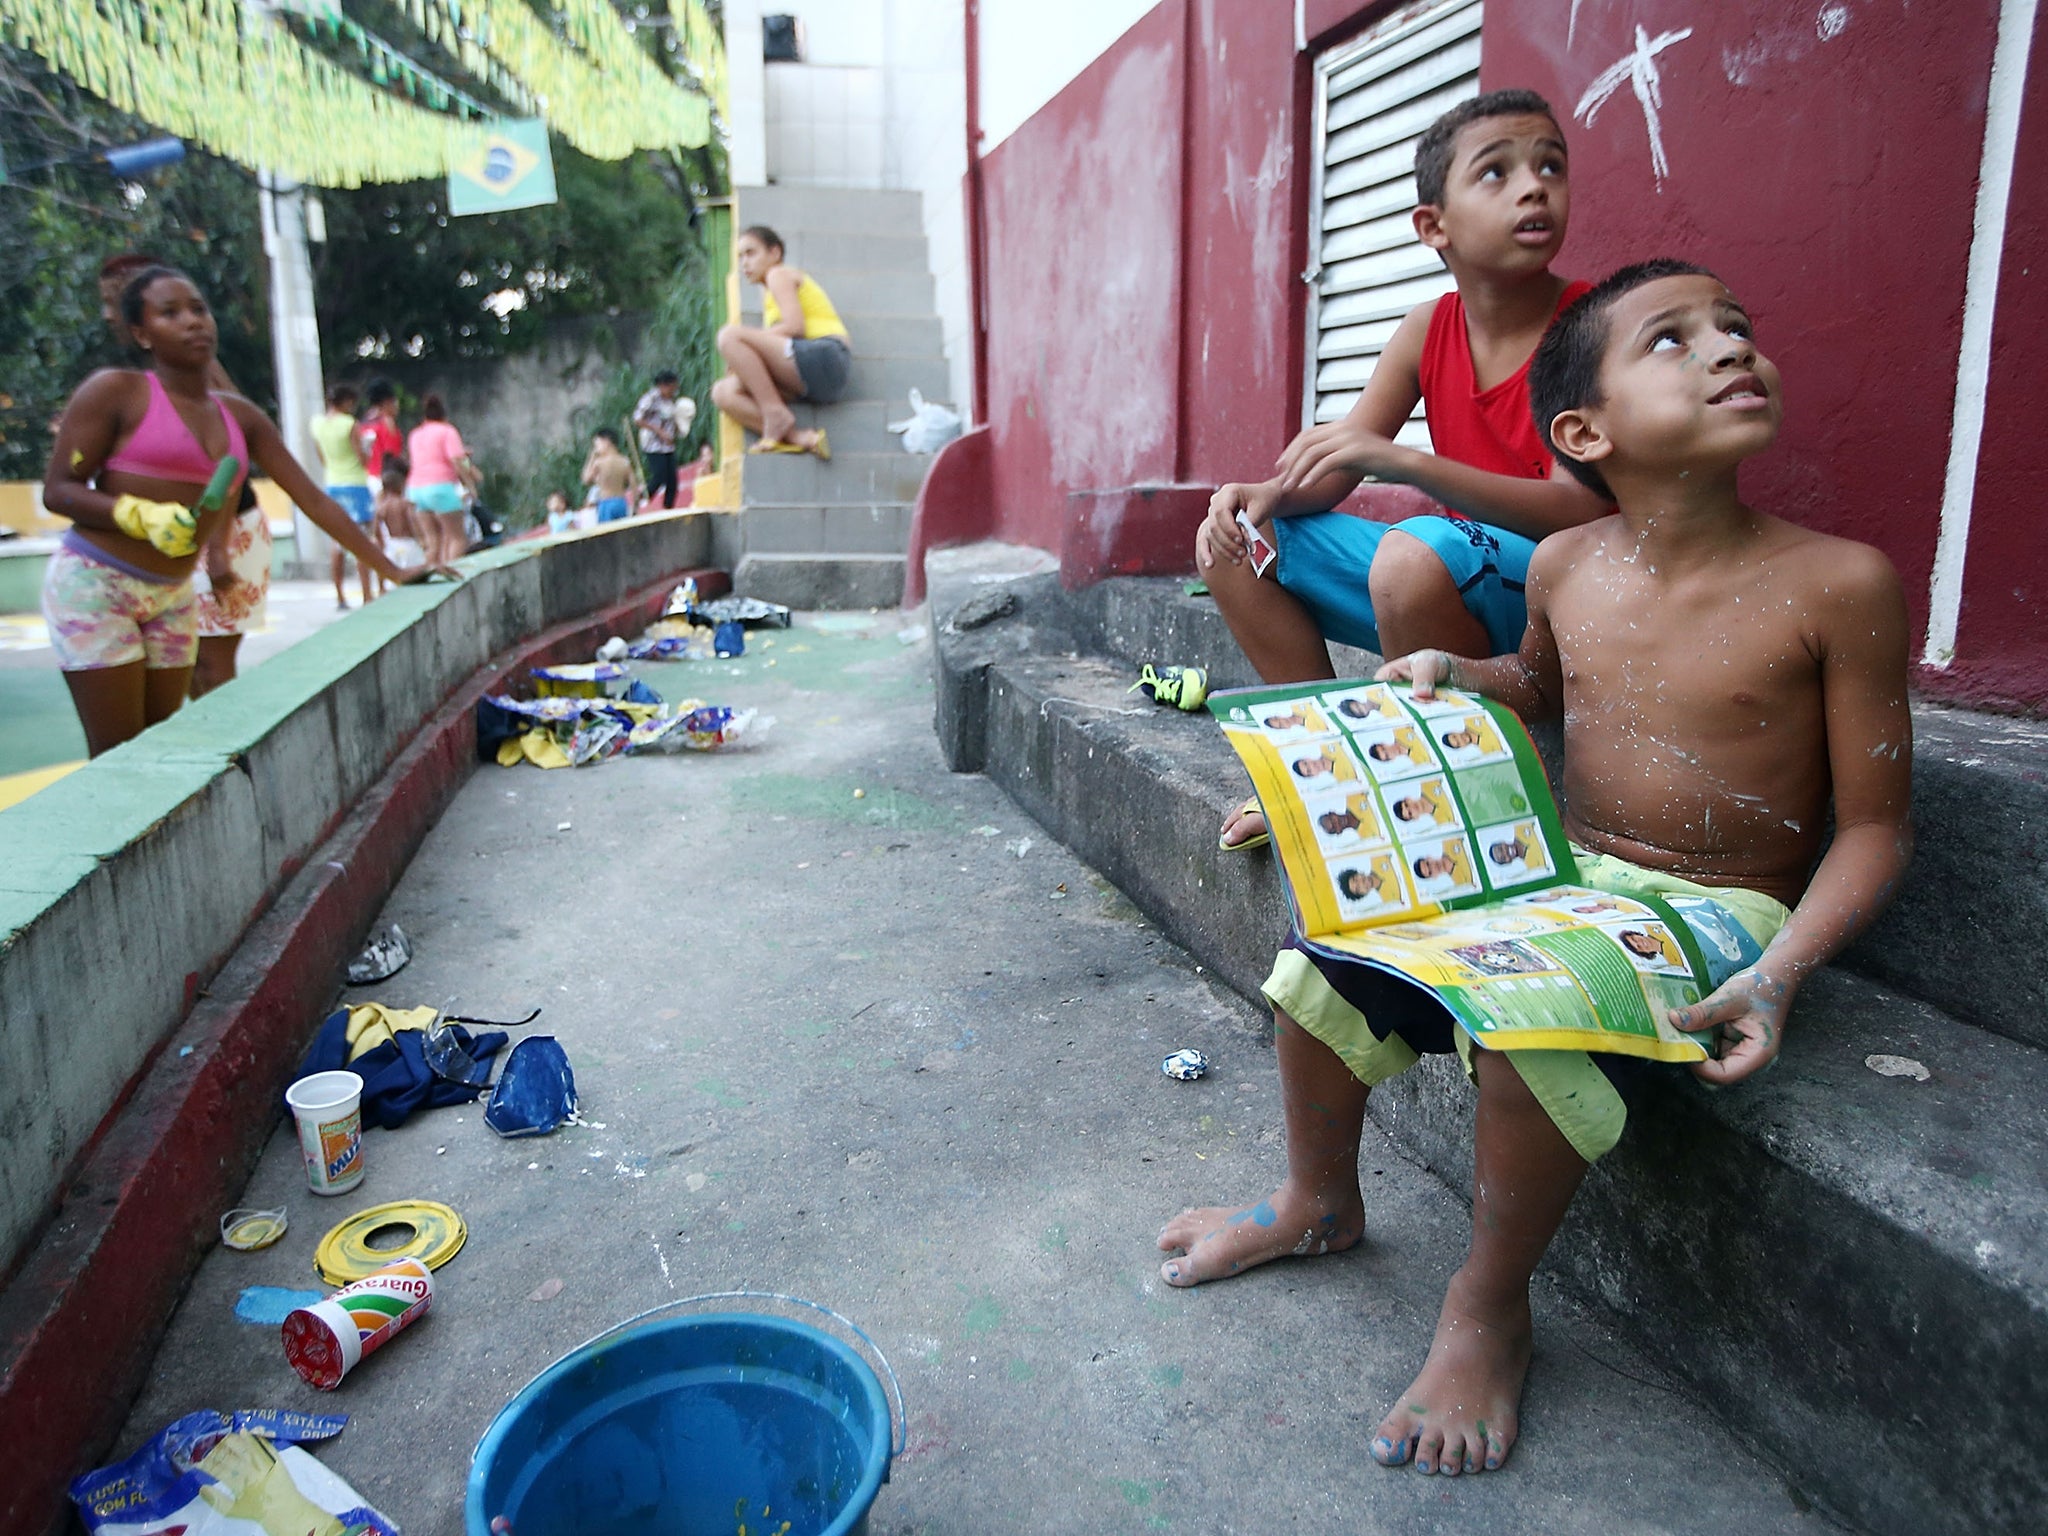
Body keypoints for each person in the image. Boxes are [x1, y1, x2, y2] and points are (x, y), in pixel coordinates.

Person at [1156, 259, 1913, 1479]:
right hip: (1571, 876)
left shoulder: (1836, 582)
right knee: (1329, 950)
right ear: (1582, 431)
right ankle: (1316, 1198)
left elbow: (1876, 828)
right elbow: (1543, 690)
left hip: (1720, 907)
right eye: (1672, 339)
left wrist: (1780, 968)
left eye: (1736, 327)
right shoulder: (1565, 567)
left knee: (1520, 1015)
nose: (1727, 349)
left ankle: (1486, 1305)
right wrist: (1460, 676)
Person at [1199, 90, 1609, 852]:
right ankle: (1315, 776)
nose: (1533, 186)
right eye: (1497, 173)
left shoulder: (1590, 326)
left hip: (1560, 600)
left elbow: (1578, 512)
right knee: (1233, 541)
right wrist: (1264, 495)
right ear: (1434, 227)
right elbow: (1336, 468)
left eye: (1550, 165)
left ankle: (1429, 790)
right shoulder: (1429, 326)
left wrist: (1407, 461)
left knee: (1415, 553)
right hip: (1449, 580)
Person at [41, 267, 443, 756]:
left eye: (198, 309)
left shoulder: (241, 416)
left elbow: (314, 499)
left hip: (171, 594)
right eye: (170, 313)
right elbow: (58, 490)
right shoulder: (116, 391)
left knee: (159, 747)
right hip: (97, 588)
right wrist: (135, 514)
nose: (193, 322)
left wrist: (394, 570)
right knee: (116, 755)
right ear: (141, 333)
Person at [711, 224, 851, 458]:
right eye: (740, 256)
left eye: (751, 253)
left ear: (774, 253)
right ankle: (798, 436)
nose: (744, 263)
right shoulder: (767, 292)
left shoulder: (779, 274)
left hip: (826, 355)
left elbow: (795, 327)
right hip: (807, 375)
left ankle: (774, 412)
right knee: (722, 392)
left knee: (729, 336)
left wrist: (743, 346)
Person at [314, 382, 375, 609]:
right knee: (362, 539)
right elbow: (362, 458)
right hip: (355, 485)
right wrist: (368, 448)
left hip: (333, 483)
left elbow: (321, 457)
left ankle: (339, 594)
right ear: (347, 401)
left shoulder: (317, 424)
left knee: (337, 541)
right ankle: (367, 593)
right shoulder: (350, 424)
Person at [406, 394, 479, 564]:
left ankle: (434, 582)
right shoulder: (447, 431)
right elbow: (457, 460)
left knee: (433, 541)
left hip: (415, 490)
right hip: (440, 487)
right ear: (444, 415)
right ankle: (452, 582)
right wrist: (470, 486)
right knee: (457, 538)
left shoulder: (415, 434)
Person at [633, 369, 694, 508]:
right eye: (672, 387)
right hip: (653, 444)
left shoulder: (672, 400)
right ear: (663, 386)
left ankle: (668, 507)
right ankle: (641, 499)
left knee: (672, 480)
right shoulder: (651, 399)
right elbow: (637, 419)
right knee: (659, 476)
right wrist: (659, 431)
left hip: (668, 445)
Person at [373, 460, 424, 569]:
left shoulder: (382, 507)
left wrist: (381, 542)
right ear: (401, 485)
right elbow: (413, 521)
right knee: (415, 571)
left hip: (392, 544)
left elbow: (376, 528)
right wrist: (421, 538)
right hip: (408, 542)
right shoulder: (405, 504)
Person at [581, 428, 639, 523]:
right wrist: (635, 506)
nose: (596, 449)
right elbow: (634, 486)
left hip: (606, 502)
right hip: (621, 502)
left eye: (597, 444)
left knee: (607, 535)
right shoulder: (625, 461)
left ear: (606, 442)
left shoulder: (599, 462)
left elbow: (586, 479)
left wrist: (591, 457)